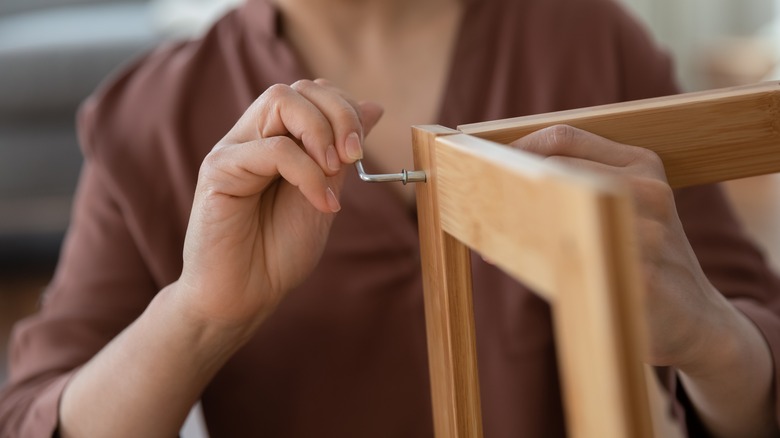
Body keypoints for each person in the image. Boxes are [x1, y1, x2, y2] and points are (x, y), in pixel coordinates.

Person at [1, 0, 779, 436]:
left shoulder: (592, 40)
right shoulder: (148, 116)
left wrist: (709, 335)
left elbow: (756, 365)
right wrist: (198, 315)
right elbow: (34, 417)